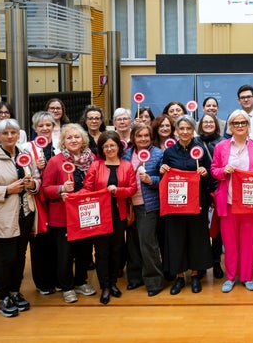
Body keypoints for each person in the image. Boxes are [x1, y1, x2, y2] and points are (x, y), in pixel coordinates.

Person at [0, 118, 41, 317]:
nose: (10, 136)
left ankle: (15, 292)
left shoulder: (26, 156)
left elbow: (37, 178)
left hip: (25, 213)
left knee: (20, 257)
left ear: (19, 135)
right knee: (7, 258)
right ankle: (3, 297)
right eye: (5, 133)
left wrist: (33, 185)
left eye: (13, 133)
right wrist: (7, 190)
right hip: (4, 217)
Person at [211, 110, 253, 292]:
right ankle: (230, 277)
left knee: (249, 242)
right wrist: (223, 171)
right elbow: (214, 170)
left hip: (249, 203)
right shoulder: (221, 147)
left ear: (248, 126)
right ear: (230, 126)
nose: (239, 126)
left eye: (243, 123)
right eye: (235, 123)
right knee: (229, 243)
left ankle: (246, 276)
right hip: (228, 202)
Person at [41, 124, 98, 303]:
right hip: (63, 216)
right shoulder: (55, 161)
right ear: (63, 141)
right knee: (65, 253)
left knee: (84, 251)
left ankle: (81, 281)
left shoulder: (92, 159)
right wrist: (60, 190)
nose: (73, 140)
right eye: (69, 137)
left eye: (77, 137)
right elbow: (45, 188)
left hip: (86, 215)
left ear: (83, 140)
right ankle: (67, 286)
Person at [159, 116, 214, 295]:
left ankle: (196, 275)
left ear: (193, 130)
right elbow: (164, 179)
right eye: (181, 128)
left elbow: (210, 177)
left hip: (197, 202)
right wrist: (162, 171)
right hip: (176, 204)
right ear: (176, 131)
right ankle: (180, 276)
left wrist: (204, 173)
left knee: (196, 237)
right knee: (176, 238)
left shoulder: (201, 151)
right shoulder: (169, 153)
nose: (184, 132)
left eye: (188, 128)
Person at [83, 131, 137, 305]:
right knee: (101, 252)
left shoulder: (127, 166)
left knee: (116, 250)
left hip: (119, 213)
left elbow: (132, 189)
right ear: (101, 149)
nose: (109, 149)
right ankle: (104, 286)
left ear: (118, 147)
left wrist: (117, 191)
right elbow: (87, 189)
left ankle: (113, 283)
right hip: (99, 215)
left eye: (112, 145)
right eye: (105, 146)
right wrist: (72, 196)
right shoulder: (95, 166)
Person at [122, 123, 165, 296]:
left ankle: (154, 281)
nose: (143, 139)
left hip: (148, 205)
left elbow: (165, 180)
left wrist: (151, 180)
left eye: (146, 135)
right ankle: (135, 278)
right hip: (129, 204)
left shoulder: (158, 154)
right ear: (133, 137)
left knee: (147, 243)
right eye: (139, 136)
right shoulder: (126, 154)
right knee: (132, 243)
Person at [20, 111, 59, 296]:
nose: (45, 128)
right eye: (40, 125)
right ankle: (43, 282)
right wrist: (37, 168)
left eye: (48, 125)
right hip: (37, 201)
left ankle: (58, 278)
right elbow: (25, 175)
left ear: (53, 126)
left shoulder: (60, 145)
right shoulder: (26, 148)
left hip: (57, 200)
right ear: (35, 128)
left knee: (56, 241)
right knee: (39, 242)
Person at [198, 112, 226, 279]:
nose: (208, 124)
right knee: (200, 228)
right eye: (205, 122)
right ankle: (202, 263)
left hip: (218, 190)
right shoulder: (195, 142)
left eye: (211, 122)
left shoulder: (223, 142)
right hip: (200, 191)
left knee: (217, 230)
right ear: (201, 125)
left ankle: (216, 262)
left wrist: (218, 190)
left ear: (216, 124)